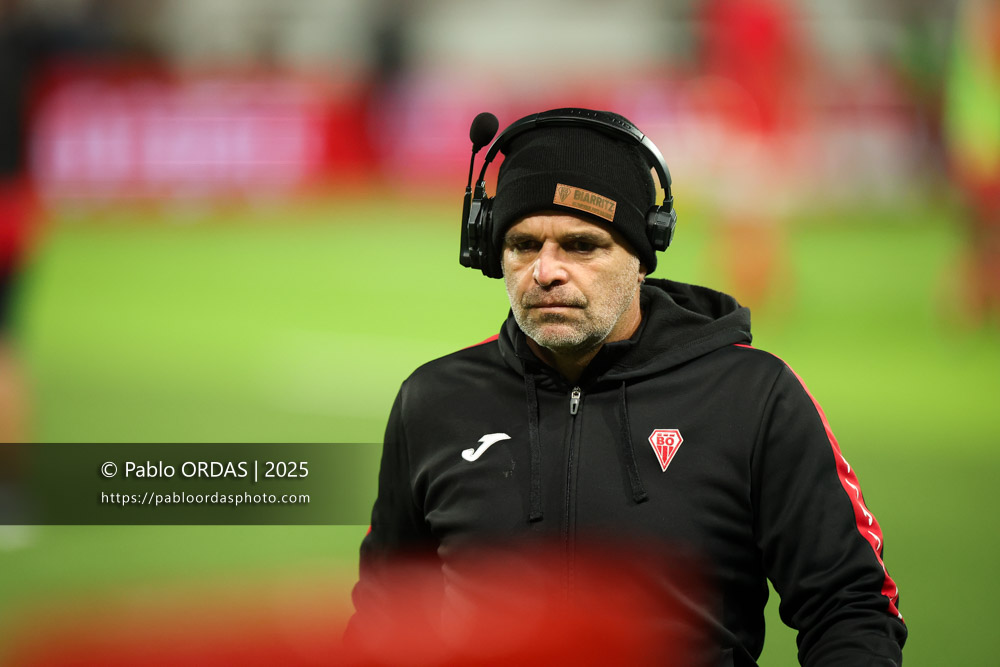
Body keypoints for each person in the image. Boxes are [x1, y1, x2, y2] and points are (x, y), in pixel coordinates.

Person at [348, 108, 906, 666]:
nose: (545, 271)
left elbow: (849, 607)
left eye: (581, 245)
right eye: (523, 244)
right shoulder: (433, 401)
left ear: (641, 257)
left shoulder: (753, 397)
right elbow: (384, 620)